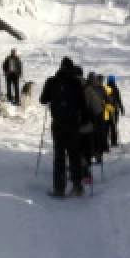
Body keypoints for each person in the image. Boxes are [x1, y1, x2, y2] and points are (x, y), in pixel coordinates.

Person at [40, 57, 88, 197]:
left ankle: (59, 189)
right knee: (74, 155)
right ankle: (78, 187)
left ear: (61, 67)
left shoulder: (52, 81)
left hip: (58, 124)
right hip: (73, 124)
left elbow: (43, 99)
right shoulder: (76, 82)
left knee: (59, 157)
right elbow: (83, 104)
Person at [83, 73, 109, 165]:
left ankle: (89, 155)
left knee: (89, 136)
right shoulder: (100, 87)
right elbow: (108, 99)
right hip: (99, 115)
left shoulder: (86, 88)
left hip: (88, 116)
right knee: (99, 135)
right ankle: (98, 156)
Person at [104, 75, 124, 148]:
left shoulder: (105, 88)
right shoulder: (115, 89)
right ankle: (114, 142)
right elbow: (119, 99)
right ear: (114, 80)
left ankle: (106, 141)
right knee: (114, 126)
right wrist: (121, 108)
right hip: (114, 109)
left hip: (106, 110)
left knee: (106, 126)